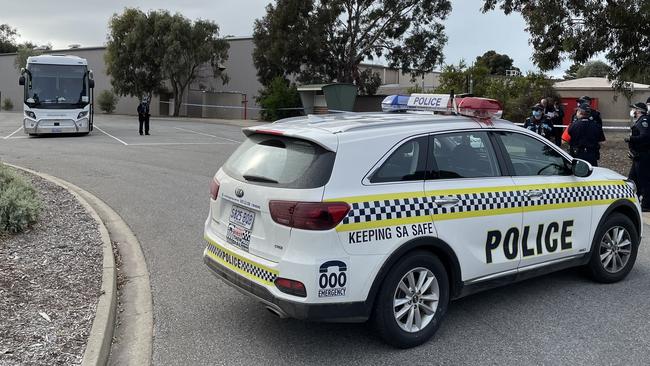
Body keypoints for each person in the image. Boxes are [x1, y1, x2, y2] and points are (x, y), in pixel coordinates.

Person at [625, 102, 650, 211]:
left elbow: (645, 136)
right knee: (632, 180)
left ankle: (646, 205)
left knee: (644, 180)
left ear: (639, 110)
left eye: (634, 109)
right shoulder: (640, 121)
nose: (633, 111)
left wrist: (631, 139)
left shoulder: (644, 121)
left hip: (643, 155)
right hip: (637, 156)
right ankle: (632, 201)